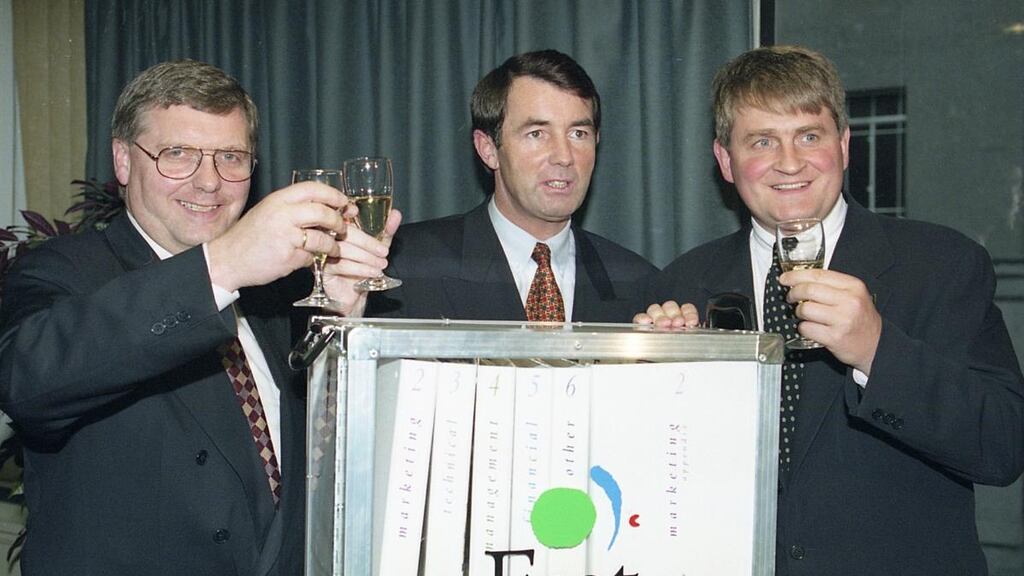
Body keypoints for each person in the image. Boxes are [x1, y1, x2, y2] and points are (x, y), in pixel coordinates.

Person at [636, 45, 1024, 575]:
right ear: (726, 161)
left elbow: (1002, 448)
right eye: (762, 141)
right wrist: (648, 381)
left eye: (809, 136)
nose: (790, 162)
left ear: (844, 145)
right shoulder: (683, 282)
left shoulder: (943, 264)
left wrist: (876, 349)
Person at [0, 60, 382, 576]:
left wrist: (341, 318)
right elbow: (29, 383)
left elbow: (323, 451)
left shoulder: (275, 287)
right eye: (177, 154)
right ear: (123, 161)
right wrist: (221, 264)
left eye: (231, 156)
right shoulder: (61, 269)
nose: (209, 182)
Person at [359, 49, 656, 322]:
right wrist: (346, 310)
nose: (565, 156)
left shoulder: (640, 284)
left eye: (578, 133)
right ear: (488, 149)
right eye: (537, 133)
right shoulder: (404, 268)